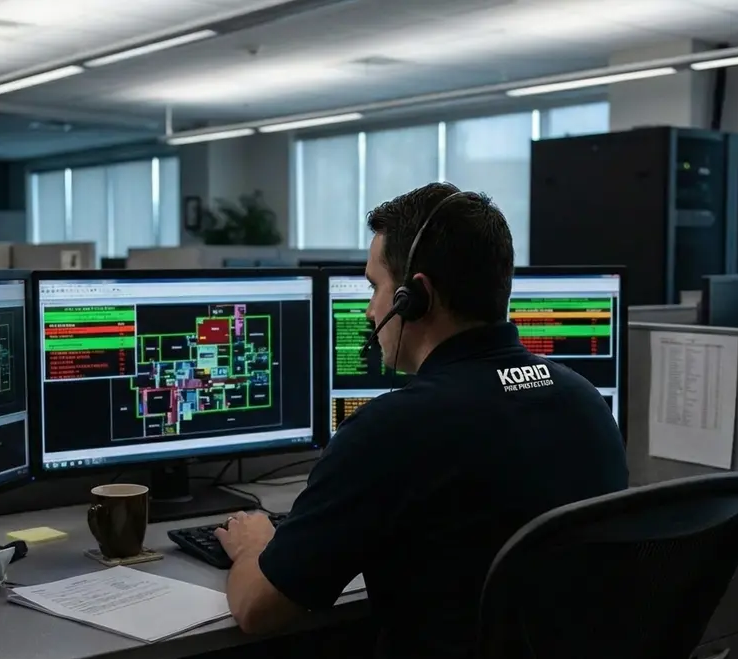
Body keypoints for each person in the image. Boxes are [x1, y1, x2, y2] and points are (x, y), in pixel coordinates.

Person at [215, 182, 628, 658]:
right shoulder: (586, 401)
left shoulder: (390, 430)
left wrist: (255, 546)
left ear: (417, 297)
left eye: (376, 288)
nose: (371, 311)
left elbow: (256, 609)